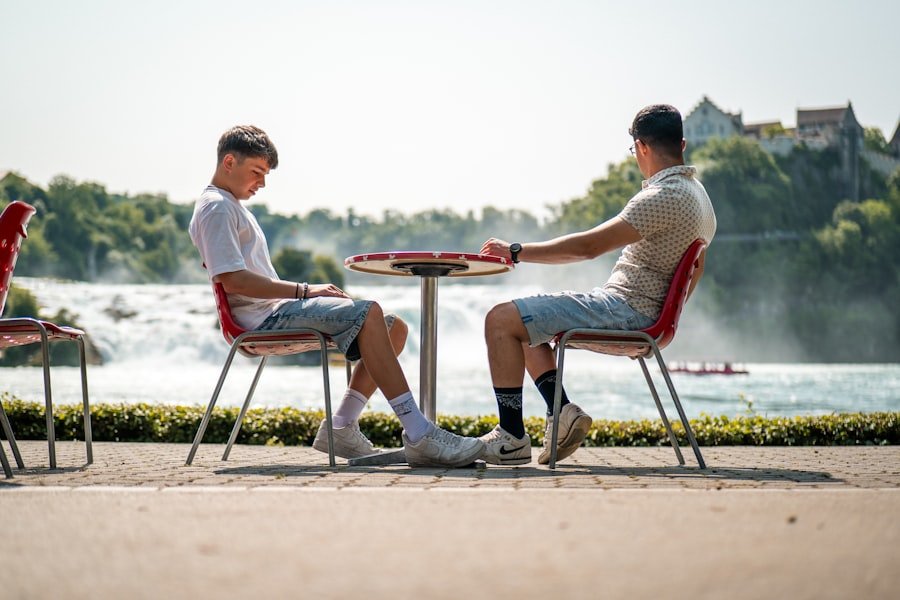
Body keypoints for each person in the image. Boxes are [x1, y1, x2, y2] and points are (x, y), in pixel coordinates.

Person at [189, 125, 484, 467]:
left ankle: (340, 427)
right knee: (368, 311)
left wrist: (304, 294)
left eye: (265, 174)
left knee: (393, 328)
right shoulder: (216, 208)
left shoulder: (231, 207)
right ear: (229, 162)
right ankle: (420, 433)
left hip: (275, 310)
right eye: (257, 172)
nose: (262, 183)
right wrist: (305, 290)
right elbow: (233, 280)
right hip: (261, 319)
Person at [478, 104, 717, 465]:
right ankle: (562, 413)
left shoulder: (663, 198)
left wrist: (516, 251)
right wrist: (667, 317)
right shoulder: (700, 198)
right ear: (681, 144)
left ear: (641, 147)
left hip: (624, 311)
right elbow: (695, 272)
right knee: (525, 323)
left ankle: (511, 437)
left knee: (500, 319)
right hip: (643, 315)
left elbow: (588, 248)